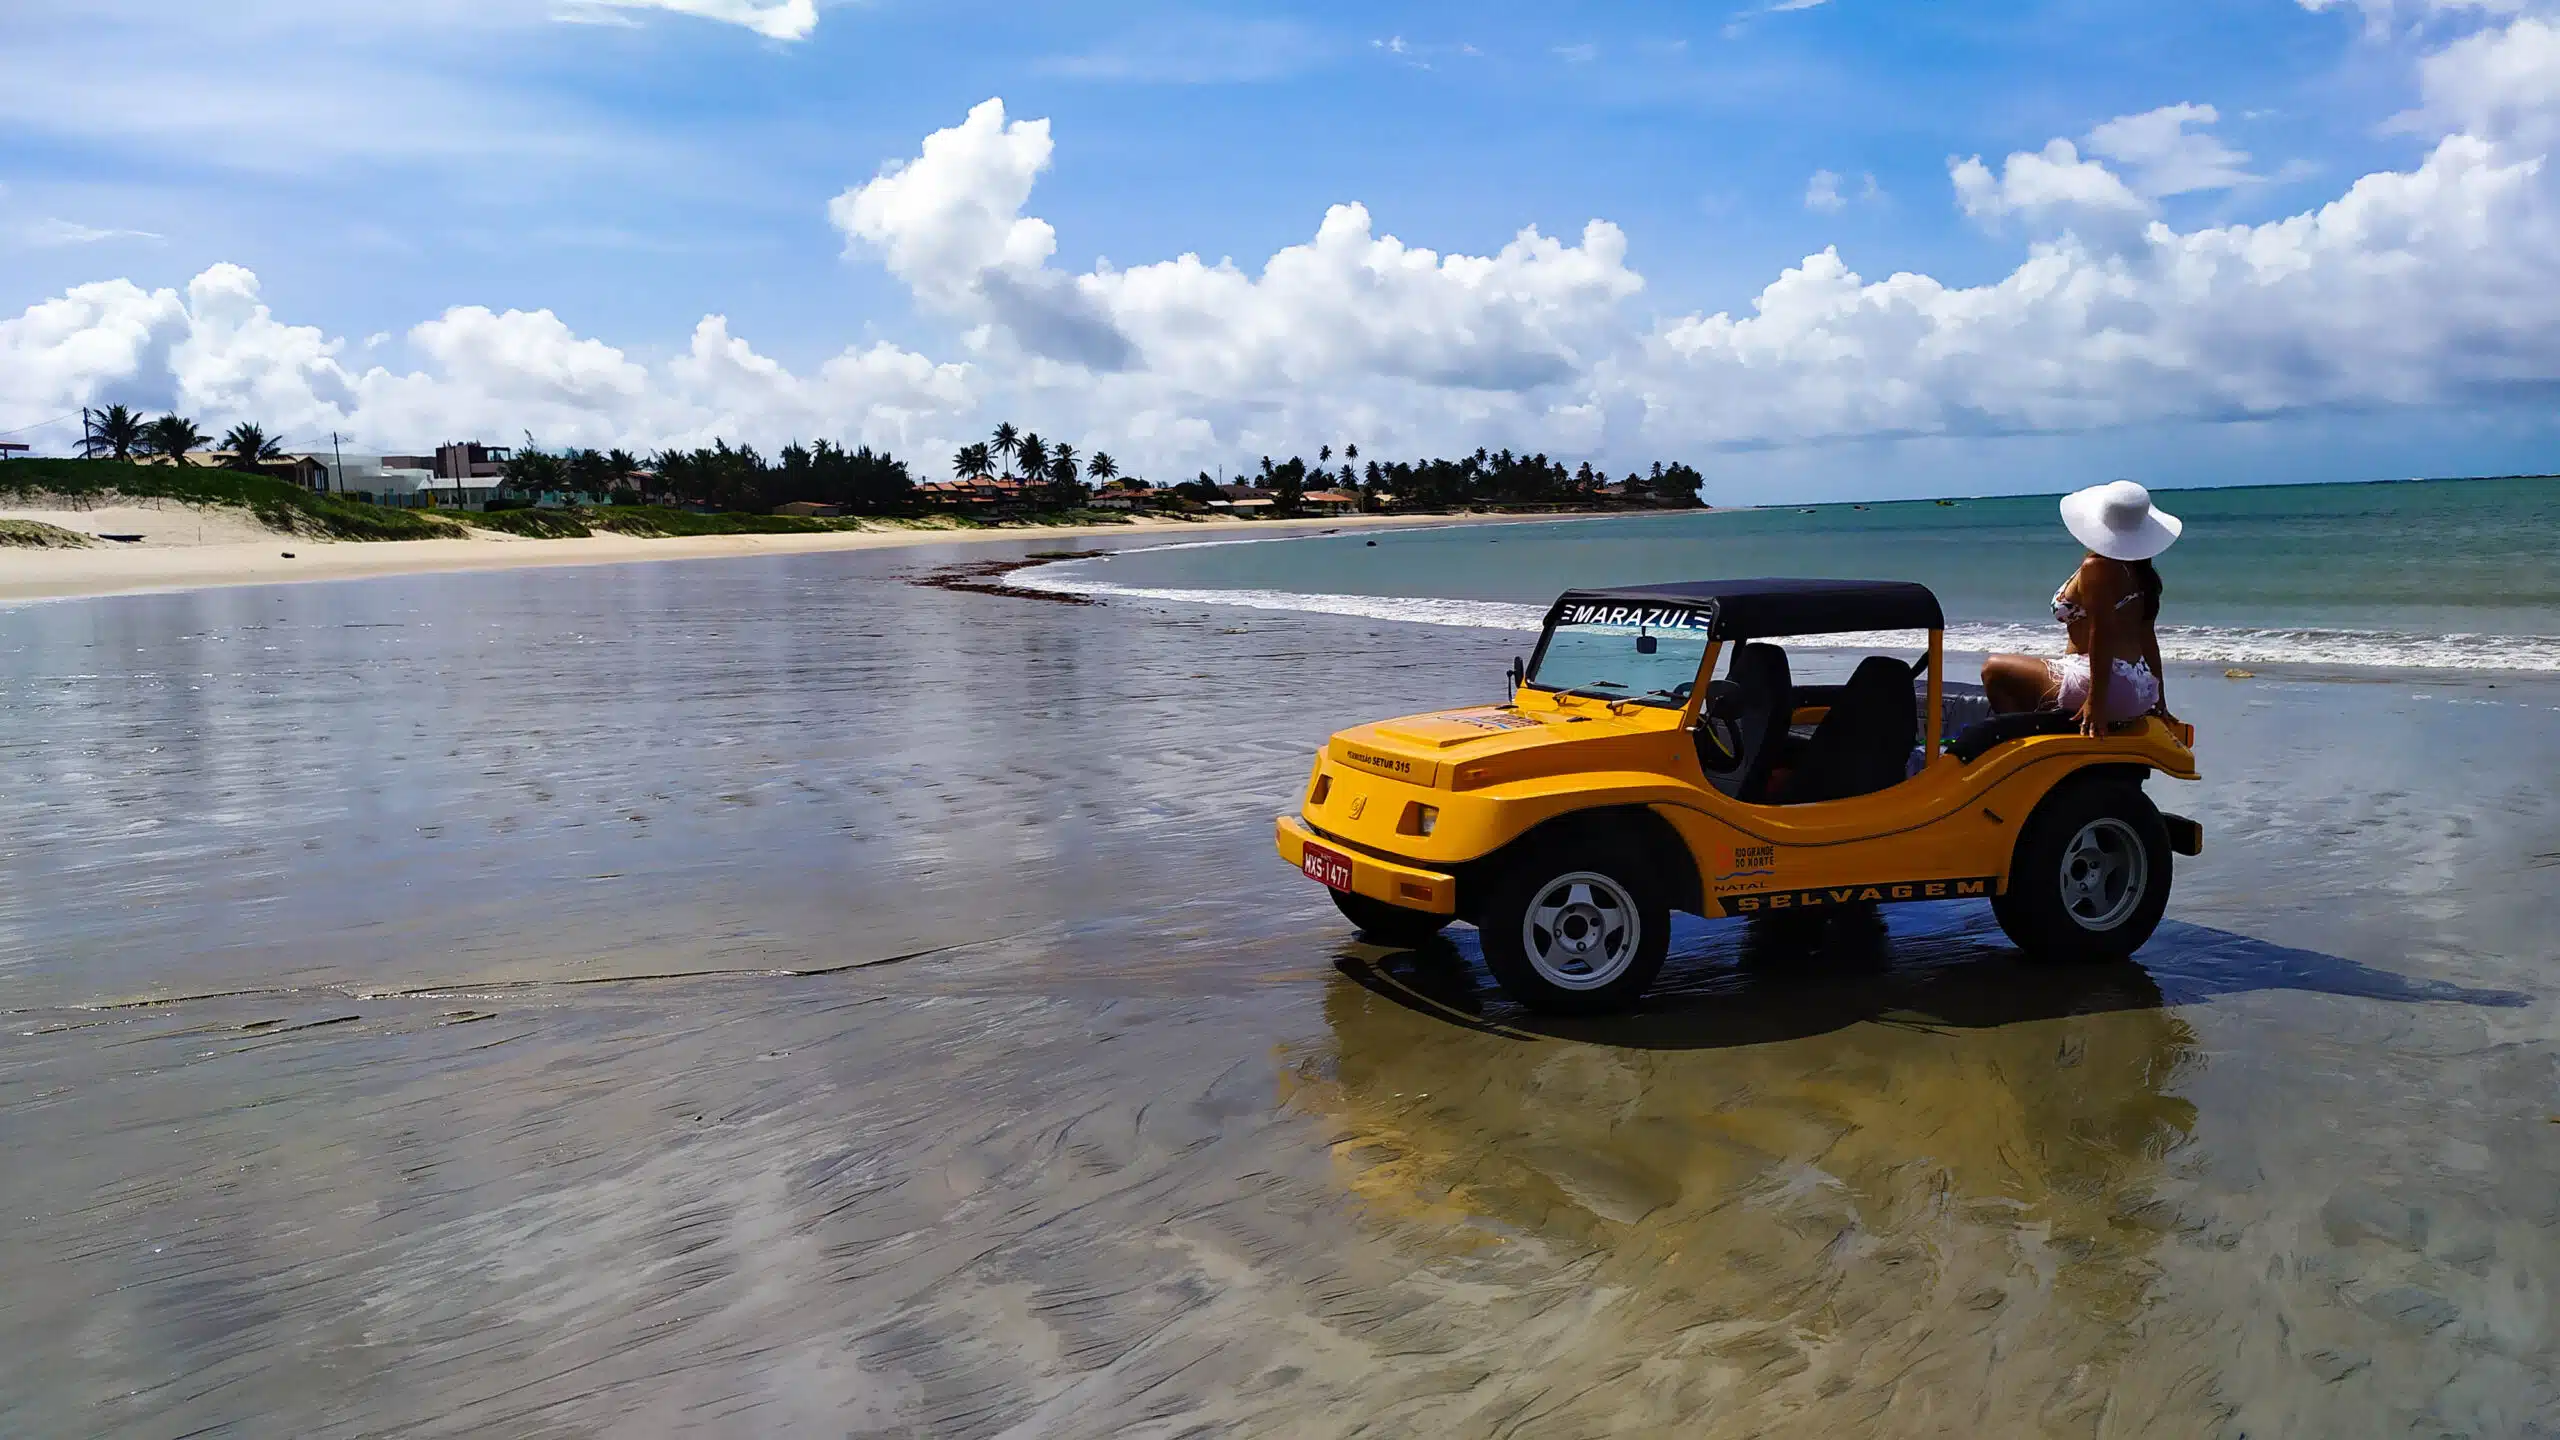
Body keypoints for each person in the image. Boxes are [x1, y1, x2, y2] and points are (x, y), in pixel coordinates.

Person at [1983, 479, 2180, 734]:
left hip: (2107, 686)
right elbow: (2146, 637)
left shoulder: (2097, 568)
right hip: (2139, 686)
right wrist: (2158, 698)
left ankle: (2020, 745)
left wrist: (2095, 704)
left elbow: (2102, 634)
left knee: (1994, 670)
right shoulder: (2142, 572)